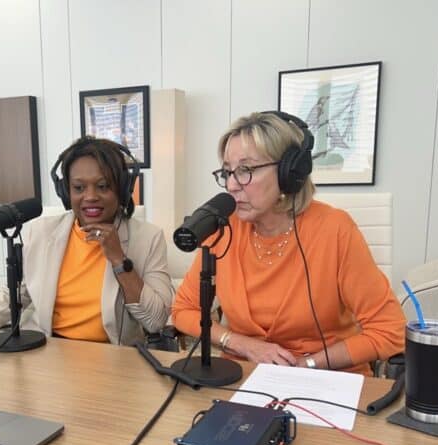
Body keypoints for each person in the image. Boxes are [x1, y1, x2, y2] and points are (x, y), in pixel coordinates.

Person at [172, 111, 405, 374]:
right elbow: (183, 310)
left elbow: (389, 330)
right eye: (227, 172)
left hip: (328, 377)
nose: (232, 185)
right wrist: (240, 343)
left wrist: (306, 364)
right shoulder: (224, 228)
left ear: (288, 173)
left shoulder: (335, 230)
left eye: (245, 170)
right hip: (244, 377)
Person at [0, 136, 174, 346]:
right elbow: (16, 295)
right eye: (79, 188)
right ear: (66, 192)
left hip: (112, 356)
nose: (90, 196)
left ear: (122, 189)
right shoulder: (41, 232)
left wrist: (119, 260)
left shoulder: (149, 239)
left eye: (103, 186)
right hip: (48, 349)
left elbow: (155, 321)